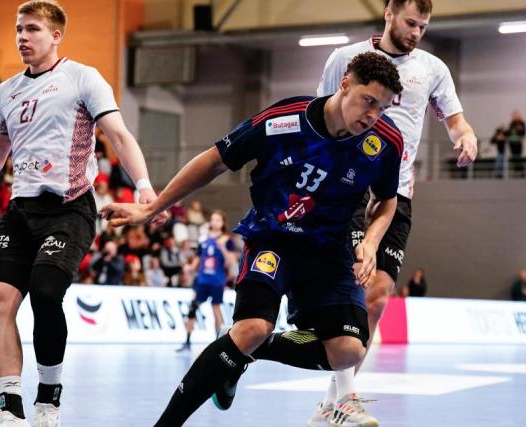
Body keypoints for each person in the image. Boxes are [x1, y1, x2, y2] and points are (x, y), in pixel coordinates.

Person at [100, 51, 404, 427]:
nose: (373, 115)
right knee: (252, 328)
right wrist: (152, 207)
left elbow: (387, 202)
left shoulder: (386, 142)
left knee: (347, 352)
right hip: (273, 240)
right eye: (368, 101)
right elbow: (213, 160)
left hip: (330, 252)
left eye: (383, 107)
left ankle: (247, 354)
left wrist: (372, 241)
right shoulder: (282, 121)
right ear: (344, 84)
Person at [0, 2, 160, 425]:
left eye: (31, 30)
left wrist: (145, 190)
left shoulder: (82, 78)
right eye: (17, 30)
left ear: (56, 35)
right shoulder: (5, 91)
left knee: (45, 292)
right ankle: (10, 411)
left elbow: (118, 134)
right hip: (20, 210)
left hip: (70, 207)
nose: (22, 38)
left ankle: (48, 402)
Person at [312, 1, 478, 424]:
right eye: (409, 23)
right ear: (388, 13)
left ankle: (333, 404)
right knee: (354, 284)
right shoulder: (342, 59)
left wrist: (468, 137)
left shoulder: (433, 69)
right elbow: (318, 118)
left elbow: (456, 121)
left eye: (423, 26)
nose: (416, 32)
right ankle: (347, 399)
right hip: (346, 186)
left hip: (396, 194)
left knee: (378, 297)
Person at [177, 210, 237, 351]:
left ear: (223, 223)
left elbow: (231, 262)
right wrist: (191, 267)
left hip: (217, 280)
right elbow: (199, 256)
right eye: (213, 219)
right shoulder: (203, 238)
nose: (214, 222)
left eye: (217, 220)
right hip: (202, 280)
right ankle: (187, 341)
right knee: (193, 307)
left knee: (215, 308)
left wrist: (223, 249)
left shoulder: (226, 240)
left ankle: (219, 342)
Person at [507, 111, 526, 178]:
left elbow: (523, 132)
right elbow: (508, 132)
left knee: (519, 157)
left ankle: (522, 172)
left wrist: (519, 129)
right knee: (514, 158)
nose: (514, 117)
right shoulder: (512, 124)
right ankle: (516, 172)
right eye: (513, 116)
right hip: (512, 143)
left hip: (518, 143)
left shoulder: (522, 123)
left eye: (516, 116)